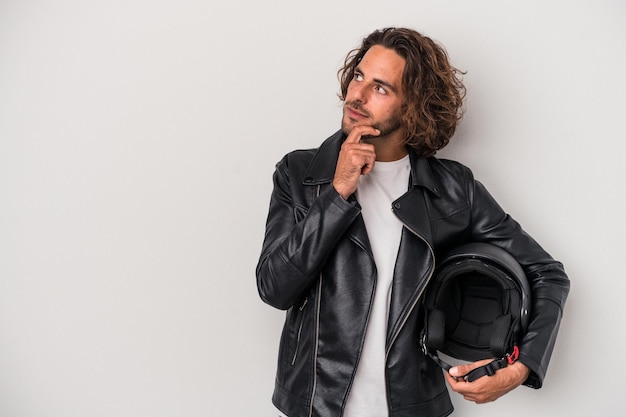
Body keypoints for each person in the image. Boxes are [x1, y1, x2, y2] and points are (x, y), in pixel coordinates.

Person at [256, 27, 569, 417]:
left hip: (412, 407)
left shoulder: (454, 191)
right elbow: (273, 287)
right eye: (358, 76)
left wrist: (520, 368)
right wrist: (336, 194)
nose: (358, 94)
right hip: (315, 404)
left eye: (381, 88)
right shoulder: (300, 173)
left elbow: (547, 273)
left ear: (413, 107)